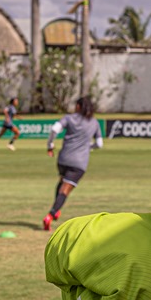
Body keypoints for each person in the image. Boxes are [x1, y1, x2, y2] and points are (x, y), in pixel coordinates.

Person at [42, 95, 102, 231]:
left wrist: (50, 145)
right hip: (79, 162)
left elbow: (54, 129)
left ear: (79, 106)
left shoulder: (69, 118)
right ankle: (50, 215)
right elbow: (99, 143)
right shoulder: (94, 122)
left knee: (62, 181)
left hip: (63, 159)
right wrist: (89, 147)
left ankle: (56, 210)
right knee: (65, 189)